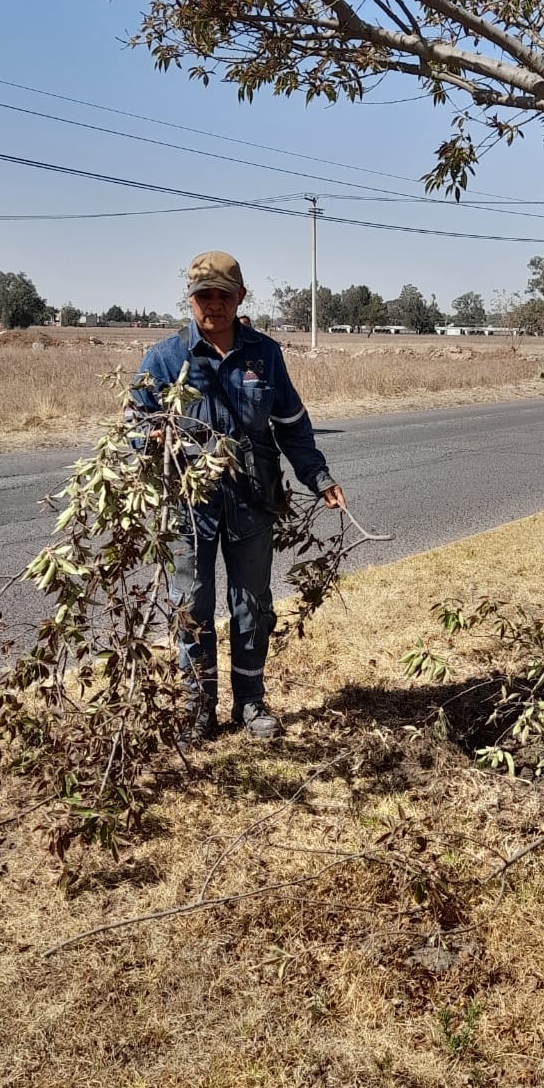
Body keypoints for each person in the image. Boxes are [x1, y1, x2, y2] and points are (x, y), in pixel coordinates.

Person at [132, 251, 346, 740]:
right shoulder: (165, 358)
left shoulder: (264, 354)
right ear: (190, 300)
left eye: (222, 296)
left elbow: (292, 424)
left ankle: (250, 703)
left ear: (240, 298)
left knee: (252, 603)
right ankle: (196, 707)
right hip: (188, 506)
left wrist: (319, 477)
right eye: (203, 296)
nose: (213, 305)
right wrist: (151, 439)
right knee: (192, 604)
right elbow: (132, 424)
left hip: (252, 501)